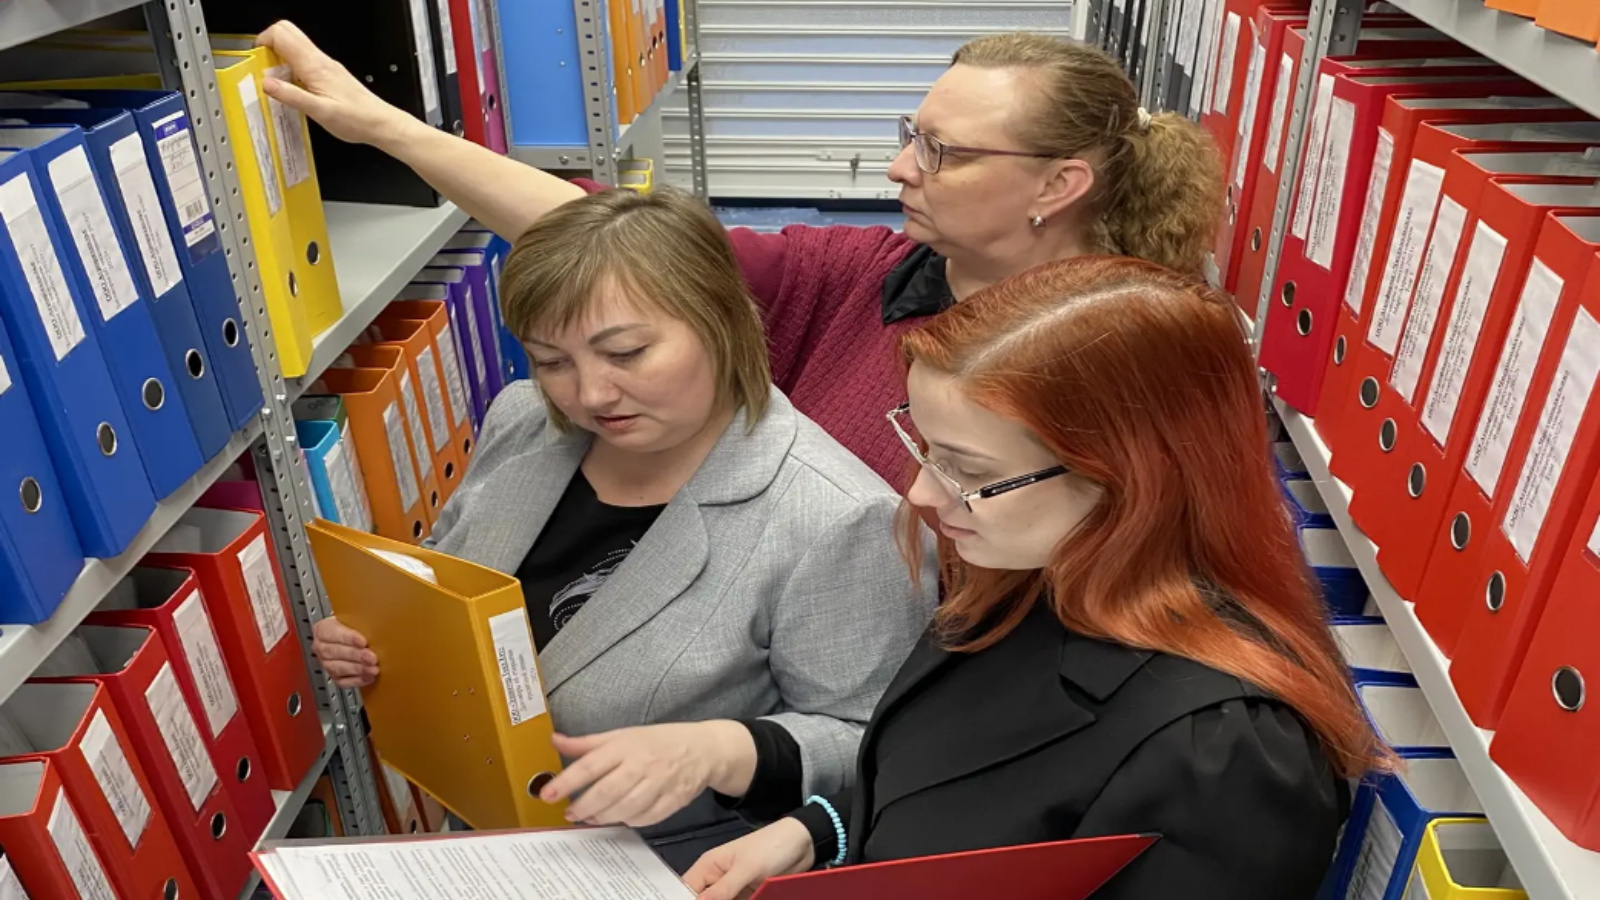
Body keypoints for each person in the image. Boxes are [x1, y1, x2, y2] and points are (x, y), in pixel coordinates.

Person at [682, 257, 1392, 900]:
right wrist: (820, 831)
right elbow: (958, 794)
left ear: (1129, 478)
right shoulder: (1026, 573)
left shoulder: (1223, 752)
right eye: (926, 448)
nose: (922, 494)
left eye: (969, 470)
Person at [257, 23, 1225, 485]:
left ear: (1060, 186)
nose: (899, 167)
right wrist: (387, 129)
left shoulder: (1134, 357)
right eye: (910, 134)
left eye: (942, 151)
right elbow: (613, 235)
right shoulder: (869, 276)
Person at [310, 188, 936, 871]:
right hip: (487, 837)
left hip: (674, 870)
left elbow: (872, 744)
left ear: (722, 321)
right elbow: (449, 568)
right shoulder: (523, 419)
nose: (590, 395)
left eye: (627, 353)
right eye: (552, 361)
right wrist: (384, 632)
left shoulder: (838, 517)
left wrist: (720, 750)